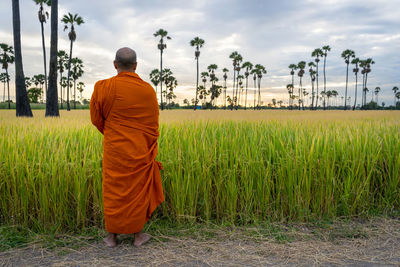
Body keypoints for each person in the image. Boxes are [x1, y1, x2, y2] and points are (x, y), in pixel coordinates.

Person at [90, 47, 164, 248]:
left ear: (115, 64)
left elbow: (96, 119)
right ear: (136, 66)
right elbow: (153, 125)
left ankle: (111, 237)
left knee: (114, 191)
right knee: (137, 190)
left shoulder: (102, 87)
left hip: (115, 149)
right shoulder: (148, 90)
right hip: (139, 149)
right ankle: (138, 236)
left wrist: (115, 132)